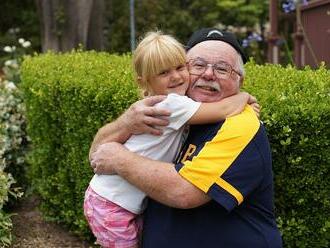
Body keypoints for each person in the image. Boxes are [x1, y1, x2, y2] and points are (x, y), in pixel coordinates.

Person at [90, 28, 282, 248]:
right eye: (198, 65)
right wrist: (125, 123)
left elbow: (184, 192)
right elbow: (96, 155)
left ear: (240, 80)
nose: (208, 74)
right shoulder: (169, 111)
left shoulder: (240, 125)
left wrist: (118, 158)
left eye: (222, 68)